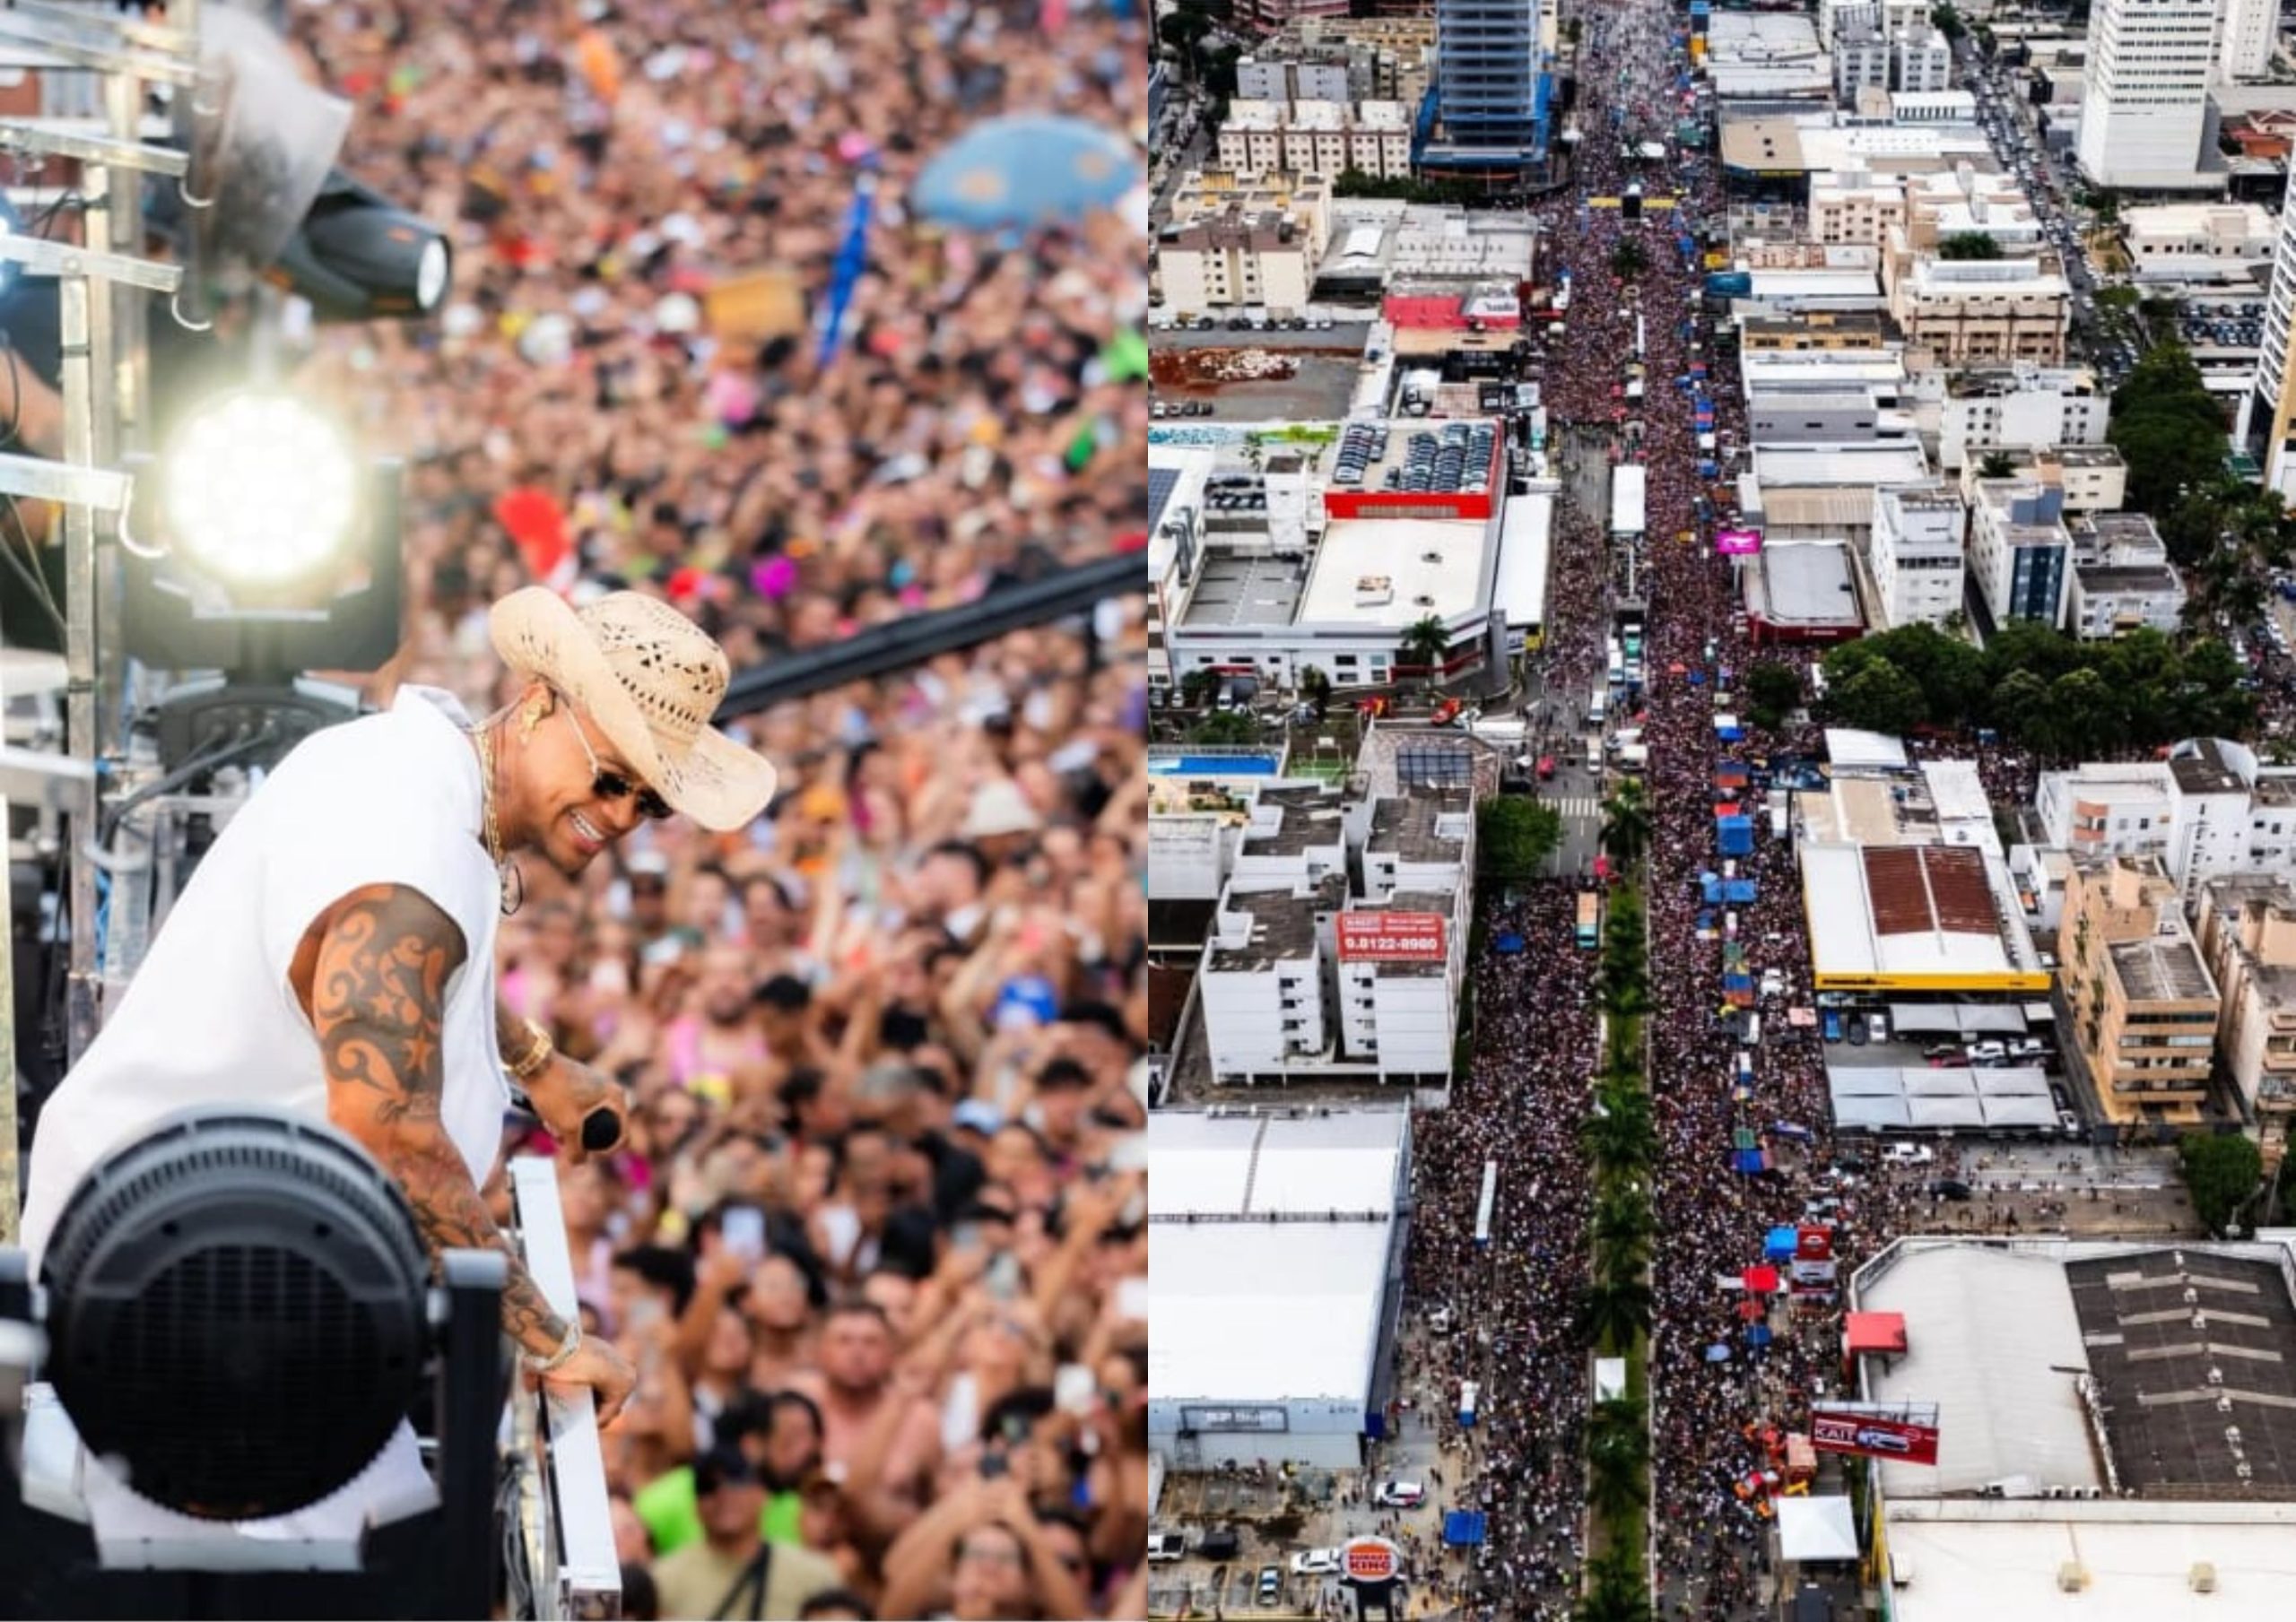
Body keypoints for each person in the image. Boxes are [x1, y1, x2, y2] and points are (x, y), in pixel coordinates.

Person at [17, 586, 778, 1533]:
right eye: (612, 776)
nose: (622, 815)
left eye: (650, 802)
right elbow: (391, 1131)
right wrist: (550, 1337)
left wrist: (534, 1061)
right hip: (174, 1288)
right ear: (540, 702)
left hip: (224, 1259)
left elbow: (406, 983)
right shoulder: (407, 853)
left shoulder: (420, 769)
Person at [648, 1447, 844, 1621]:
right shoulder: (663, 1580)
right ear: (695, 1505)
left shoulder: (815, 1575)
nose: (723, 1493)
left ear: (762, 1493)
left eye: (736, 1480)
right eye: (708, 1486)